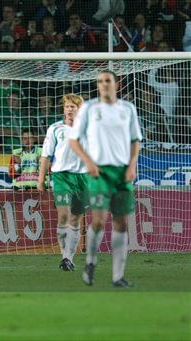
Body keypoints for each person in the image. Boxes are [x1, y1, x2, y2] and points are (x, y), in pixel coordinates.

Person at [69, 70, 143, 288]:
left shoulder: (127, 109)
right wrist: (89, 163)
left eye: (107, 81)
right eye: (100, 81)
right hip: (99, 173)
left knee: (121, 222)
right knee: (99, 221)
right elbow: (74, 141)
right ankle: (91, 262)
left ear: (116, 85)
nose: (103, 84)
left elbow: (135, 140)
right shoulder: (89, 109)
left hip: (122, 173)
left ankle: (118, 276)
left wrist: (131, 166)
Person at [37, 94, 87, 271]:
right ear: (64, 109)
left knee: (76, 220)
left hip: (83, 177)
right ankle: (64, 257)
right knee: (64, 215)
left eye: (73, 106)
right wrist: (40, 179)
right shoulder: (55, 128)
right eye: (67, 106)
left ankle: (69, 258)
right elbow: (45, 156)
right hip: (61, 176)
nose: (70, 109)